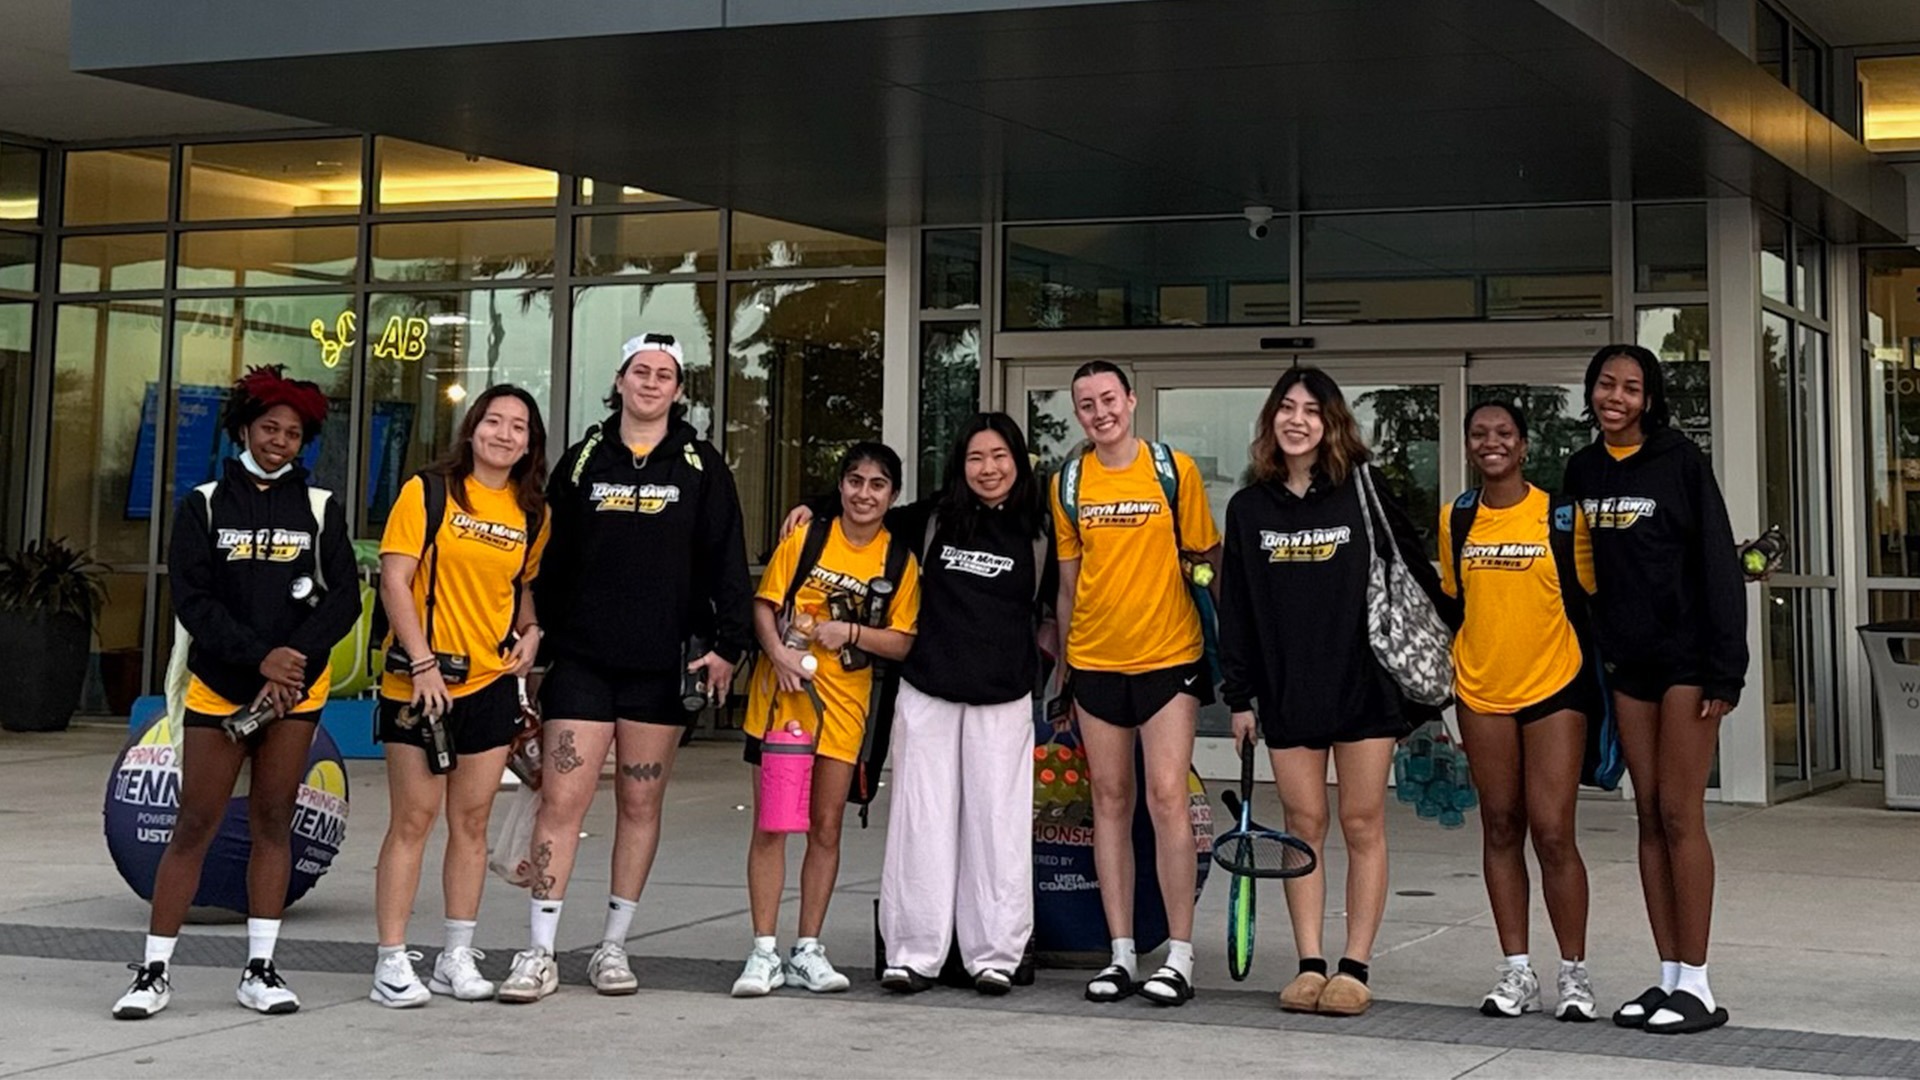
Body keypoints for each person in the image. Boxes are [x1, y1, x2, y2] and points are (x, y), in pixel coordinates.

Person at [497, 333, 753, 1004]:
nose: (651, 383)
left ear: (679, 389)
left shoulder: (700, 464)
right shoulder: (584, 459)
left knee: (640, 804)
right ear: (619, 381)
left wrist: (728, 645)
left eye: (665, 375)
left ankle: (613, 947)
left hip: (661, 667)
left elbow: (727, 558)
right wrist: (534, 631)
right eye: (641, 371)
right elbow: (542, 556)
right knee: (563, 802)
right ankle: (539, 951)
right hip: (583, 661)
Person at [113, 366, 361, 1020]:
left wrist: (293, 661)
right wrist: (260, 657)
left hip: (294, 692)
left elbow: (346, 600)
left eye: (292, 433)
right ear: (244, 429)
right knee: (195, 822)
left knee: (273, 820)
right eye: (269, 428)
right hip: (222, 687)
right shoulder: (201, 504)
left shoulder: (320, 508)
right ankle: (153, 973)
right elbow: (193, 600)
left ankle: (260, 969)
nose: (280, 441)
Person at [1215, 366, 1441, 1018]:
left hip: (1364, 689)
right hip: (1288, 692)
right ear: (1271, 419)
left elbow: (1414, 574)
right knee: (1303, 826)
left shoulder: (1362, 491)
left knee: (1362, 822)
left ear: (1331, 421)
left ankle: (1355, 966)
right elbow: (1239, 611)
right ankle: (1310, 962)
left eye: (1312, 410)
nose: (1298, 420)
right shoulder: (1249, 507)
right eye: (1286, 408)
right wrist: (1239, 698)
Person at [1562, 345, 1746, 1036]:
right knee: (1645, 814)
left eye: (1631, 388)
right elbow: (1573, 568)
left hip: (1689, 660)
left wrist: (1727, 667)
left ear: (1649, 399)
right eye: (1606, 384)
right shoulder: (1581, 470)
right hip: (1627, 664)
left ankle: (1698, 982)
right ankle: (1668, 976)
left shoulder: (1680, 461)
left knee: (1679, 812)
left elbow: (1718, 561)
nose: (1617, 397)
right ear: (1591, 392)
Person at [368, 385, 551, 1007]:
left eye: (518, 427)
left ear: (529, 444)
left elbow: (521, 587)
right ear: (472, 429)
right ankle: (392, 960)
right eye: (493, 421)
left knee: (471, 824)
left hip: (489, 685)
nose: (504, 434)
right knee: (412, 821)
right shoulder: (428, 492)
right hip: (420, 684)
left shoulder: (531, 513)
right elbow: (395, 580)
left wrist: (532, 630)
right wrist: (421, 663)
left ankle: (455, 955)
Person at [1051, 360, 1220, 1008]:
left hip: (1168, 656)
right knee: (1109, 800)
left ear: (1130, 400)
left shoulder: (1174, 470)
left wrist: (1236, 654)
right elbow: (1068, 585)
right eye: (1086, 404)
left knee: (1167, 797)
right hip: (1095, 662)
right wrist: (1064, 669)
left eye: (1108, 399)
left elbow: (1207, 558)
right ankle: (1120, 952)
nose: (1100, 413)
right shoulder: (1068, 482)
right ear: (1078, 414)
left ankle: (1178, 954)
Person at [732, 442, 922, 997]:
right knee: (772, 825)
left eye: (878, 485)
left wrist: (853, 632)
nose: (864, 494)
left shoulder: (899, 561)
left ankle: (807, 949)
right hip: (781, 707)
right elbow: (764, 605)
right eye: (855, 481)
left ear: (893, 495)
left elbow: (904, 641)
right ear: (840, 486)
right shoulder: (807, 537)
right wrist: (778, 655)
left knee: (826, 827)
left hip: (844, 712)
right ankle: (763, 951)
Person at [1439, 401, 1598, 1022]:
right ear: (1468, 445)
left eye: (1504, 433)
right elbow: (1454, 603)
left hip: (1555, 686)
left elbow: (1597, 595)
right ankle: (1516, 971)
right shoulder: (1457, 517)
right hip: (1481, 690)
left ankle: (1574, 974)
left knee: (1553, 831)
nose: (1491, 442)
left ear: (1524, 445)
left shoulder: (1561, 516)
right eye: (1479, 433)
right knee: (1501, 826)